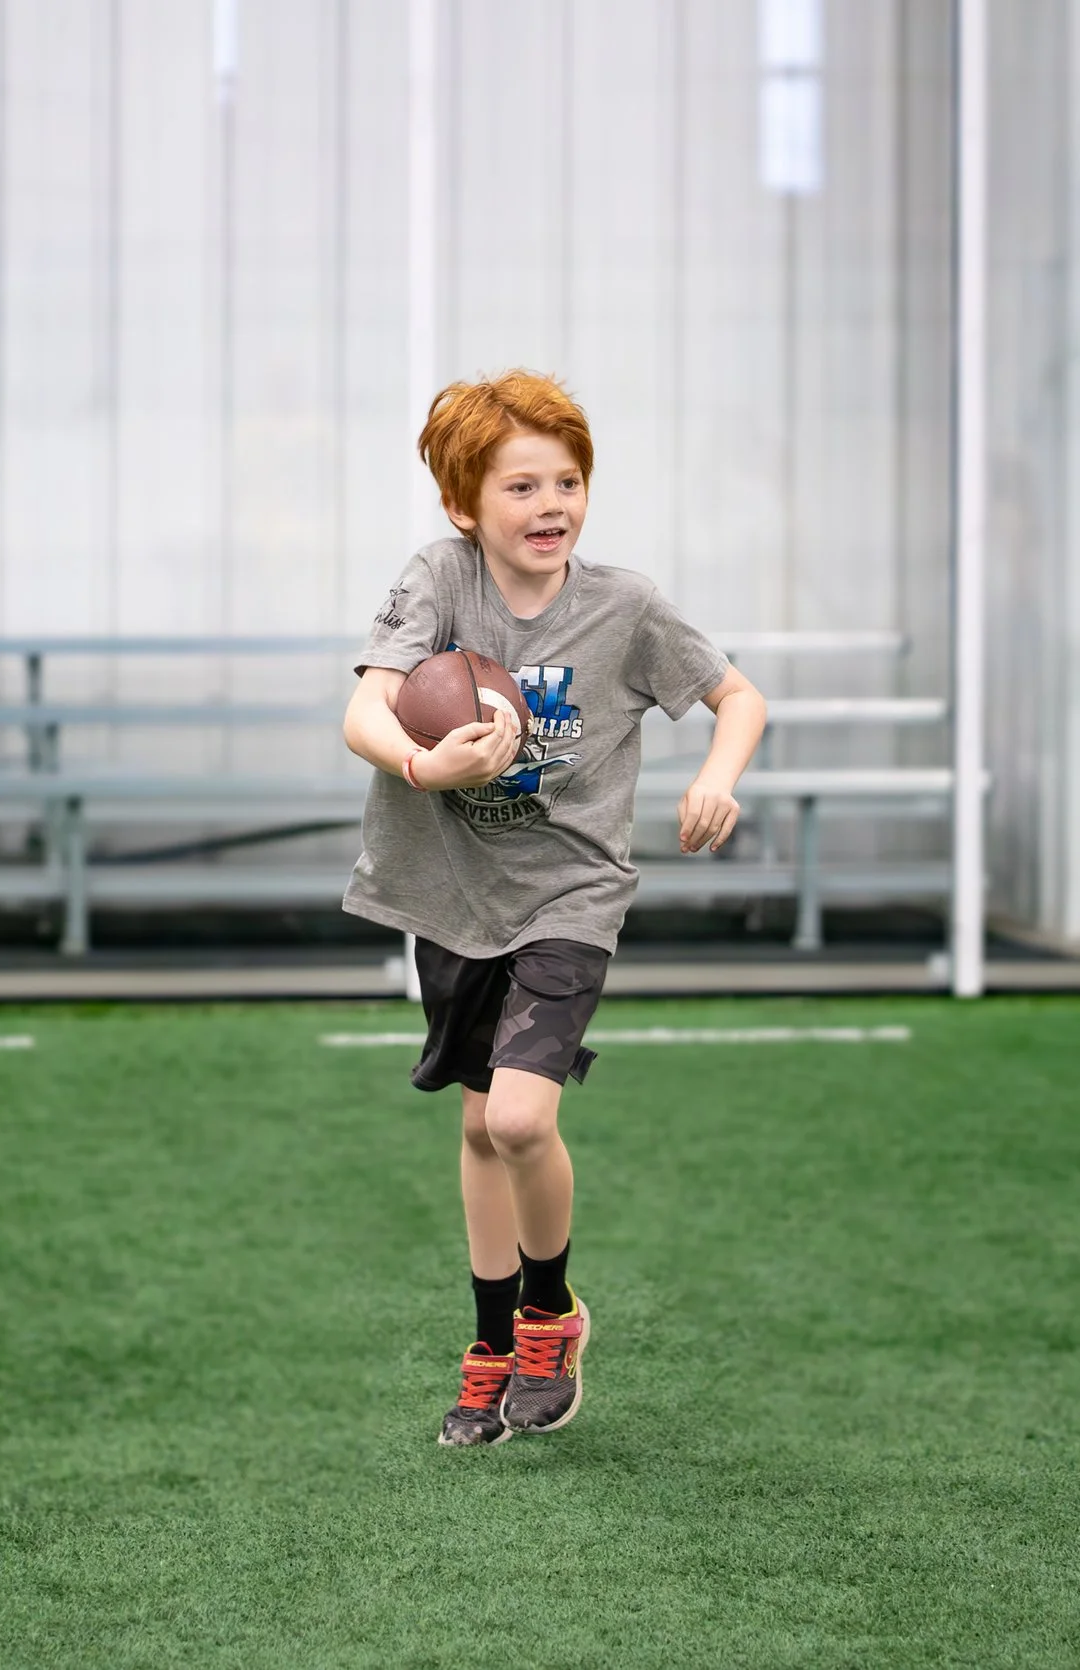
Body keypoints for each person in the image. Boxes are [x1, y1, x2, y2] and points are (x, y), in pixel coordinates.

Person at [340, 371, 768, 1447]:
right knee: (482, 1125)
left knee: (523, 1115)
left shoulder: (624, 604)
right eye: (520, 483)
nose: (550, 504)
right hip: (451, 895)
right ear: (463, 504)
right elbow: (364, 707)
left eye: (567, 480)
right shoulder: (439, 578)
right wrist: (422, 762)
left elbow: (738, 694)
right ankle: (489, 1348)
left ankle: (550, 1314)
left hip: (571, 895)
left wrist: (718, 771)